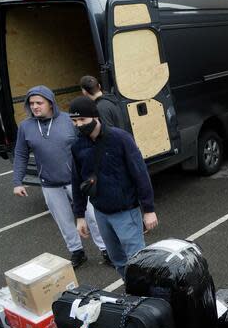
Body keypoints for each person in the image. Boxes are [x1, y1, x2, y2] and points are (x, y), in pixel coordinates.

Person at [12, 85, 110, 267]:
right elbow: (21, 154)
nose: (35, 106)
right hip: (49, 184)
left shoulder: (68, 120)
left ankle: (106, 250)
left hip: (78, 181)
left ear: (50, 103)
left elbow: (89, 143)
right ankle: (77, 252)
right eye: (31, 103)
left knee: (93, 217)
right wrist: (18, 181)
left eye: (39, 103)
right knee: (64, 222)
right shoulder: (25, 127)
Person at [69, 96, 158, 278]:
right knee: (117, 259)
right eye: (74, 121)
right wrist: (79, 216)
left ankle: (147, 297)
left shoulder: (120, 138)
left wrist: (148, 209)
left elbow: (140, 174)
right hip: (101, 213)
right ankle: (130, 290)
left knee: (138, 261)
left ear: (95, 117)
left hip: (126, 212)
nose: (78, 125)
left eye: (82, 120)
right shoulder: (78, 146)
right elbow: (77, 181)